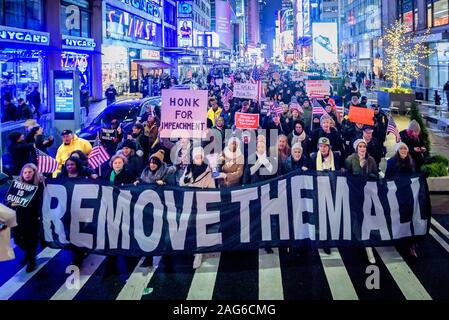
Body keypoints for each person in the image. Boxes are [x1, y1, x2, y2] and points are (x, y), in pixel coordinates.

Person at [179, 147, 215, 269]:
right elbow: (181, 183)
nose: (198, 159)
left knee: (200, 227)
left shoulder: (207, 169)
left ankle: (199, 254)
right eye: (196, 157)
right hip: (190, 201)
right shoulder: (188, 168)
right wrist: (185, 180)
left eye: (200, 157)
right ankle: (194, 248)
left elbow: (212, 187)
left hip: (201, 201)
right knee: (191, 226)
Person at [384, 142, 419, 258]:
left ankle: (411, 245)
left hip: (408, 195)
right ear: (397, 150)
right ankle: (396, 238)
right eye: (401, 148)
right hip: (396, 194)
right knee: (396, 217)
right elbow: (387, 178)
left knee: (409, 218)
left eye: (405, 148)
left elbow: (415, 176)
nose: (404, 150)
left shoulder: (411, 161)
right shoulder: (391, 162)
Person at [11, 163, 44, 272]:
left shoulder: (39, 185)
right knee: (17, 240)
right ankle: (29, 253)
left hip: (33, 217)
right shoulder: (17, 185)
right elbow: (9, 200)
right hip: (19, 217)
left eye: (30, 172)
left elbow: (37, 202)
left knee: (31, 239)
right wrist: (11, 204)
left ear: (34, 172)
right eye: (25, 172)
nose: (27, 174)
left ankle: (31, 259)